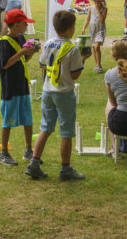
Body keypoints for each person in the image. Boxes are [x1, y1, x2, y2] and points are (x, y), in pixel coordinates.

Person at [26, 10, 89, 181]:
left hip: (48, 91)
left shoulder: (49, 43)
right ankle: (65, 168)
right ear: (70, 28)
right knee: (66, 132)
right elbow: (75, 75)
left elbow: (42, 65)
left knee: (45, 128)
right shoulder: (72, 49)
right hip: (64, 93)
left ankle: (34, 164)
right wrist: (83, 59)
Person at [0, 8, 37, 166]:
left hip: (22, 85)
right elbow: (5, 64)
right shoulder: (4, 42)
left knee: (28, 119)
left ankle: (29, 150)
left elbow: (24, 59)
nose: (27, 26)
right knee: (8, 121)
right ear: (17, 25)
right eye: (25, 23)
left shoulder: (20, 37)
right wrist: (21, 53)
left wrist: (31, 52)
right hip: (10, 88)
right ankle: (3, 153)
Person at [82, 0, 107, 73]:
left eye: (98, 1)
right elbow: (87, 19)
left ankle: (99, 65)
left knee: (97, 47)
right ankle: (97, 65)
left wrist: (98, 9)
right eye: (95, 1)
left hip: (100, 30)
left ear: (101, 1)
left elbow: (102, 20)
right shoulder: (91, 8)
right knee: (93, 48)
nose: (96, 3)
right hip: (92, 30)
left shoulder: (104, 9)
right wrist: (84, 28)